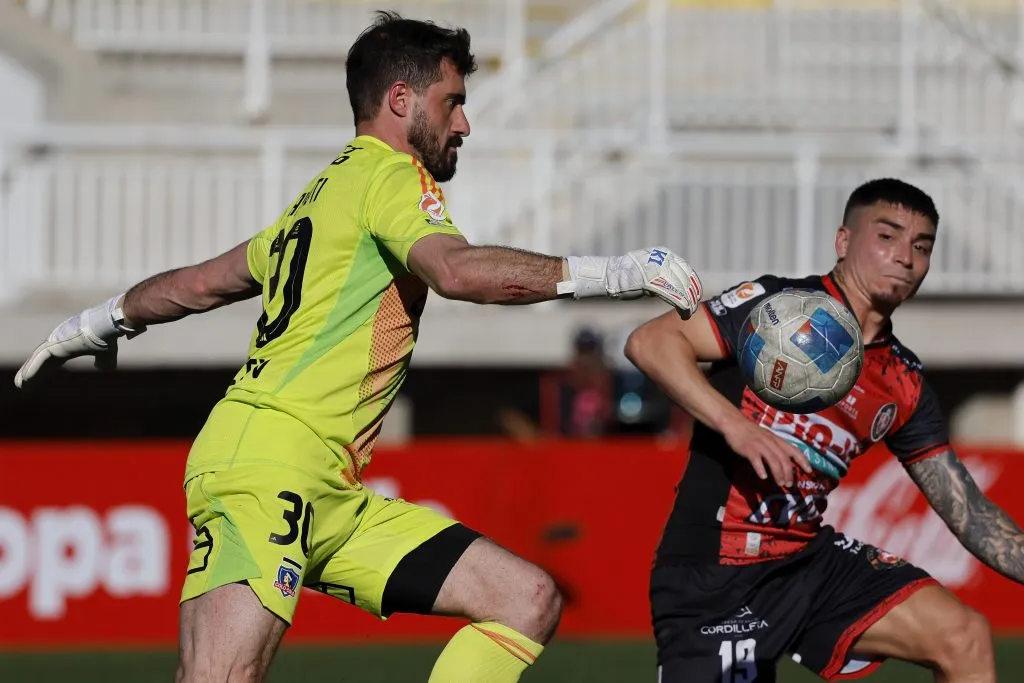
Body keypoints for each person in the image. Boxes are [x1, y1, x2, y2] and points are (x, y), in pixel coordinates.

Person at [14, 12, 702, 683]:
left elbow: (198, 283)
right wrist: (612, 273)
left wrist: (101, 320)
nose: (464, 122)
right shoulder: (390, 178)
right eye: (453, 101)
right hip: (268, 463)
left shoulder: (320, 198)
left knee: (524, 599)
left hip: (332, 492)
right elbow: (456, 271)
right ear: (401, 100)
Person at [625, 178, 1022, 682]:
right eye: (888, 236)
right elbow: (650, 343)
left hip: (807, 562)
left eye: (921, 247)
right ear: (843, 241)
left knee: (964, 637)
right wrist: (736, 427)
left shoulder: (903, 381)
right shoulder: (777, 308)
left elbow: (968, 512)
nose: (904, 257)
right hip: (714, 572)